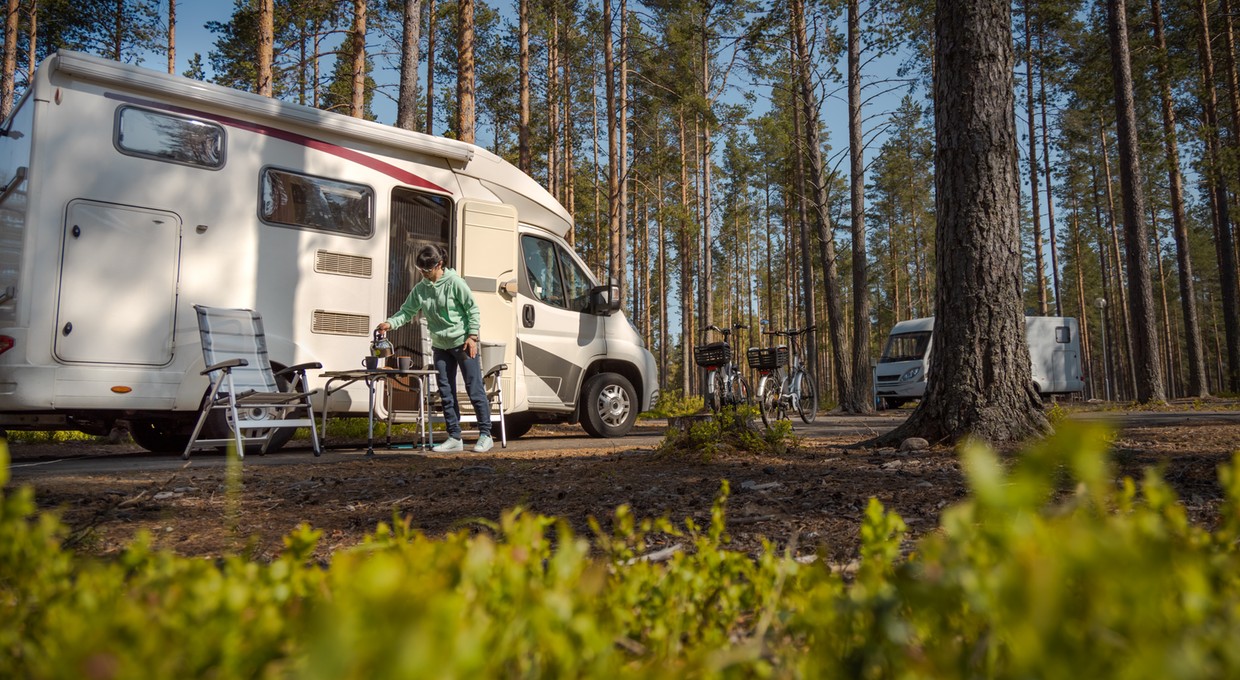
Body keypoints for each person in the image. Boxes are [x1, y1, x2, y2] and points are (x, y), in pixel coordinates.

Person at [377, 244, 493, 453]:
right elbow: (407, 311)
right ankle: (454, 437)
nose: (423, 274)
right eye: (420, 270)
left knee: (474, 388)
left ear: (439, 265)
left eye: (427, 270)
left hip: (463, 343)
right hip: (440, 345)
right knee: (446, 391)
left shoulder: (455, 283)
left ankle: (485, 434)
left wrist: (472, 336)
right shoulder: (421, 289)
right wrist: (390, 323)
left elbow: (472, 309)